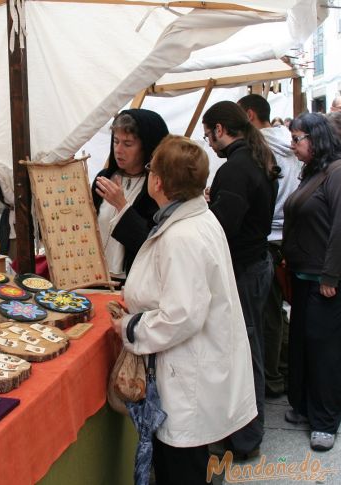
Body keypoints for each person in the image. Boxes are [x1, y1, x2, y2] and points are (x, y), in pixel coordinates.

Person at [112, 135, 256, 483]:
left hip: (188, 374)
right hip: (192, 367)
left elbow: (181, 315)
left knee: (183, 468)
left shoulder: (184, 236)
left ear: (158, 181)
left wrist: (131, 328)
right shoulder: (191, 221)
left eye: (151, 169)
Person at [201, 100, 278, 458]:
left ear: (220, 129)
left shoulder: (235, 168)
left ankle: (247, 438)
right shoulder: (254, 160)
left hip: (245, 269)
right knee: (251, 347)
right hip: (257, 262)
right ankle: (246, 432)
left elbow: (221, 228)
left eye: (208, 133)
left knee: (246, 354)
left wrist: (205, 211)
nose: (208, 142)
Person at [283, 112, 341, 451]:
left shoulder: (335, 172)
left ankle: (325, 421)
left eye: (297, 138)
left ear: (316, 139)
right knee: (305, 344)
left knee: (324, 350)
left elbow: (339, 229)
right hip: (305, 276)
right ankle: (306, 406)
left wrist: (331, 275)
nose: (292, 145)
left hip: (323, 280)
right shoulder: (314, 172)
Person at [238, 94, 301, 399]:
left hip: (269, 237)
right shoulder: (290, 143)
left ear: (249, 115)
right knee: (278, 310)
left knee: (268, 314)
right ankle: (284, 370)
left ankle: (274, 377)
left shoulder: (258, 148)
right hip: (289, 233)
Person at [91, 109, 169, 282]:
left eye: (127, 144)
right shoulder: (104, 177)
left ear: (147, 146)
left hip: (132, 281)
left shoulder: (157, 186)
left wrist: (122, 205)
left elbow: (151, 244)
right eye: (116, 141)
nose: (118, 150)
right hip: (97, 276)